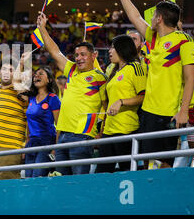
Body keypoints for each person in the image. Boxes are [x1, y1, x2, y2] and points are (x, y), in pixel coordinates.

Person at [111, 0, 194, 169]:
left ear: (159, 18)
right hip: (148, 111)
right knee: (147, 162)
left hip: (168, 112)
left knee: (165, 163)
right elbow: (134, 16)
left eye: (153, 15)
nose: (150, 17)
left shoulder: (184, 41)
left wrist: (183, 110)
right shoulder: (152, 37)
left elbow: (190, 78)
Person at [37, 11, 108, 175]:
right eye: (76, 55)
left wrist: (101, 132)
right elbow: (54, 51)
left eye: (83, 54)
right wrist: (42, 28)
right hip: (62, 137)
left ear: (94, 55)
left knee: (79, 184)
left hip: (82, 136)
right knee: (62, 184)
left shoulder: (100, 78)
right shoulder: (71, 70)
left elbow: (107, 105)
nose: (79, 58)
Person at [96, 35, 147, 173]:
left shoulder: (135, 67)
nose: (109, 51)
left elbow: (143, 97)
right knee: (101, 174)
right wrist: (102, 129)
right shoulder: (114, 72)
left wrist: (121, 102)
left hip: (126, 130)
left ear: (122, 49)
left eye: (113, 47)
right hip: (108, 132)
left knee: (128, 173)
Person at [15, 52, 61, 178]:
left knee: (37, 177)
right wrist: (21, 63)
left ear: (49, 79)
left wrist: (55, 148)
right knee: (28, 177)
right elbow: (17, 83)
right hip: (32, 143)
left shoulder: (53, 98)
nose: (36, 76)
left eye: (41, 74)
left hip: (47, 142)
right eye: (35, 74)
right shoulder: (30, 98)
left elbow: (59, 125)